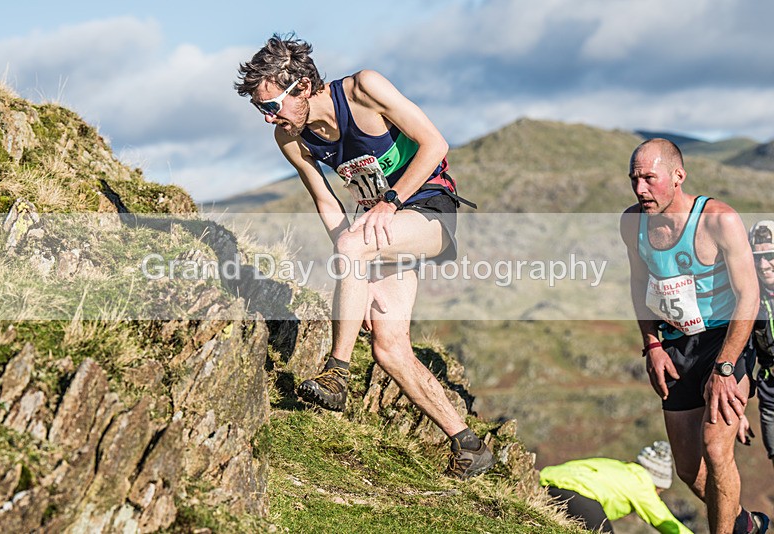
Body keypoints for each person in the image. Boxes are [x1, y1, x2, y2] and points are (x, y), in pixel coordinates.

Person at [234, 34, 493, 479]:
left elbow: (435, 144)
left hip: (429, 209)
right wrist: (358, 272)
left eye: (270, 105)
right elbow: (328, 204)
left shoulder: (363, 89)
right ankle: (468, 445)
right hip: (377, 231)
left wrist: (389, 201)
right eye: (260, 109)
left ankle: (337, 373)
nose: (267, 118)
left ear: (298, 86)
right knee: (390, 348)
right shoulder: (290, 137)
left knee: (355, 245)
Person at [619, 138, 769, 534]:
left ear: (678, 176)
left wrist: (725, 367)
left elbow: (748, 296)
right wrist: (651, 343)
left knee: (716, 449)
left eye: (649, 178)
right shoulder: (632, 222)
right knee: (688, 468)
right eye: (634, 179)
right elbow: (639, 285)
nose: (640, 189)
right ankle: (744, 524)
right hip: (676, 344)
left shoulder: (719, 219)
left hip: (726, 341)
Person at [539, 441, 693, 533]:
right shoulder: (642, 483)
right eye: (659, 491)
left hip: (548, 483)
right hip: (579, 494)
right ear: (656, 482)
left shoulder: (619, 467)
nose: (657, 496)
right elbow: (665, 522)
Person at [744, 220, 774, 470]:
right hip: (770, 394)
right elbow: (739, 352)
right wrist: (737, 412)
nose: (763, 265)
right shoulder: (747, 297)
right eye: (757, 257)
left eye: (770, 256)